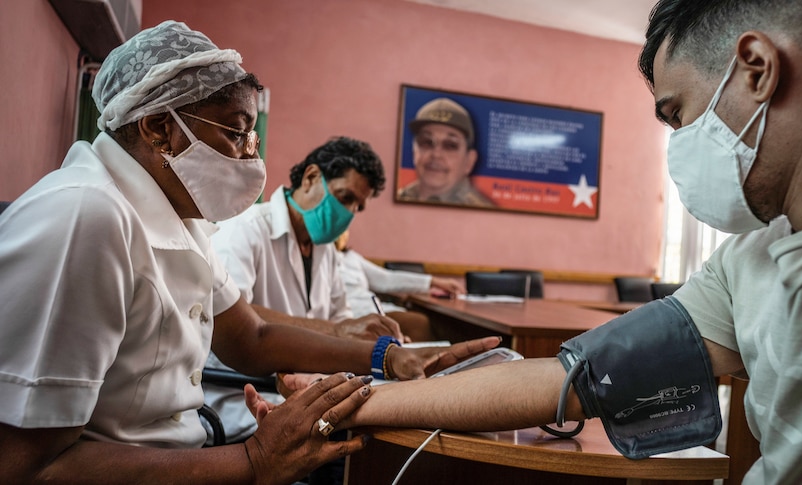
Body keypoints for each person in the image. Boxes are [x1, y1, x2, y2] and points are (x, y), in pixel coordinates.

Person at [251, 1, 802, 483]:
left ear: (756, 68)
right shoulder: (744, 263)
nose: (677, 144)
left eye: (678, 116)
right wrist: (345, 404)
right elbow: (567, 378)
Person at [0, 21, 499, 484]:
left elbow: (250, 335)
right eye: (236, 132)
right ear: (158, 128)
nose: (250, 155)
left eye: (251, 135)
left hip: (190, 454)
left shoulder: (180, 215)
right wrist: (254, 460)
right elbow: (27, 465)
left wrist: (390, 359)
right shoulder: (87, 218)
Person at [204, 136, 400, 445]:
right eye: (344, 197)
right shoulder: (244, 228)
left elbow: (341, 320)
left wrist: (369, 340)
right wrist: (340, 332)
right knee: (360, 447)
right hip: (246, 393)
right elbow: (232, 315)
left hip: (307, 390)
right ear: (310, 178)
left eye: (357, 207)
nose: (348, 213)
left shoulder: (327, 252)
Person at [334, 229, 466, 342]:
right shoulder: (321, 258)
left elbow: (387, 279)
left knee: (444, 325)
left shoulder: (350, 257)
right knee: (419, 322)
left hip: (377, 309)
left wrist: (434, 281)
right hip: (354, 315)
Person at [397, 97, 494, 207]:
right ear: (414, 151)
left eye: (450, 146)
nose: (436, 154)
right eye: (426, 142)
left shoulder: (483, 213)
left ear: (469, 161)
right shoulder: (398, 197)